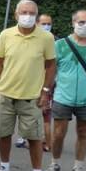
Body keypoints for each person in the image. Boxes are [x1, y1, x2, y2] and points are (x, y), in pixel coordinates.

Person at [0, 0, 57, 171]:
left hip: (32, 98)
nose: (28, 16)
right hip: (6, 94)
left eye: (32, 13)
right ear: (16, 15)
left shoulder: (46, 38)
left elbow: (51, 65)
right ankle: (4, 168)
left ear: (36, 15)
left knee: (35, 138)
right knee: (3, 134)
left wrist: (45, 91)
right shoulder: (6, 35)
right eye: (24, 12)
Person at [47, 9, 86, 171]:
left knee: (84, 132)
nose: (85, 26)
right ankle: (54, 164)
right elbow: (51, 70)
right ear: (73, 23)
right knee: (58, 133)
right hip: (62, 96)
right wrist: (44, 92)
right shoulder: (60, 45)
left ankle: (77, 168)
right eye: (81, 22)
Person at [17, 12, 55, 149]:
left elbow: (53, 66)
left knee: (45, 115)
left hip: (46, 84)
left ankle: (46, 144)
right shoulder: (31, 40)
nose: (46, 26)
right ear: (37, 24)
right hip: (28, 84)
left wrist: (47, 86)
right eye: (44, 23)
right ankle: (24, 138)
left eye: (49, 24)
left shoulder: (52, 41)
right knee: (27, 113)